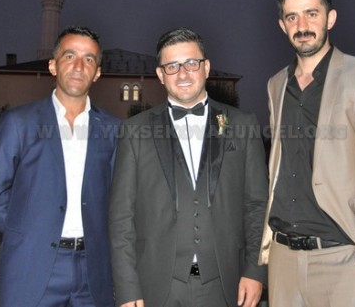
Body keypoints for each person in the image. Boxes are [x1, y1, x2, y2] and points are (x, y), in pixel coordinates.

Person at [258, 0, 355, 307]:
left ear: (330, 18)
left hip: (342, 256)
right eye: (292, 17)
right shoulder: (276, 84)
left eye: (311, 13)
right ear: (282, 25)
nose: (302, 25)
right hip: (282, 258)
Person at [109, 27, 268, 307]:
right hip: (156, 286)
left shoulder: (242, 124)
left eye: (191, 63)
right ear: (160, 75)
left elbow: (257, 205)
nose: (182, 74)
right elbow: (121, 216)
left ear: (206, 67)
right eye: (172, 66)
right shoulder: (134, 131)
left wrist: (256, 271)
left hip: (226, 284)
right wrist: (127, 288)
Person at [0, 26, 120, 307]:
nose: (79, 66)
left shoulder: (113, 129)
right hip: (33, 266)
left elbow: (119, 200)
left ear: (97, 72)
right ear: (53, 66)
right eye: (70, 56)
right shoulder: (19, 122)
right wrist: (30, 233)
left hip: (94, 270)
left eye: (89, 59)